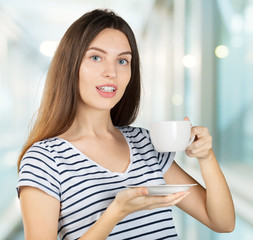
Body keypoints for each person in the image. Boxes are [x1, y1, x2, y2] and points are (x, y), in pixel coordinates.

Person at [16, 9, 235, 240]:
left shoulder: (145, 142)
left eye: (122, 61)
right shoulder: (44, 159)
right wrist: (116, 212)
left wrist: (206, 157)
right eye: (96, 57)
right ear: (71, 66)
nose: (111, 72)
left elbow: (222, 222)